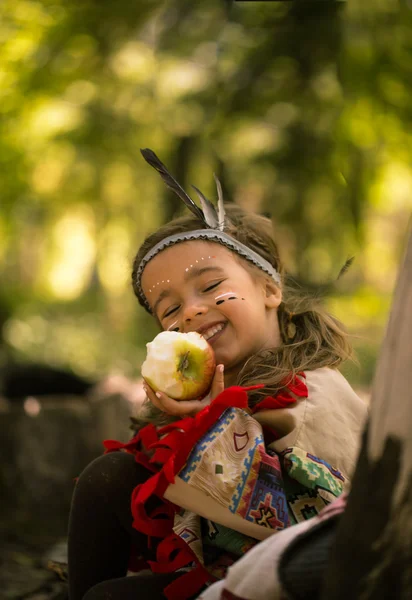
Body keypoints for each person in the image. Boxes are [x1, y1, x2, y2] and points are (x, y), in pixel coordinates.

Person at [67, 149, 368, 600]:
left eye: (210, 286)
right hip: (223, 552)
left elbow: (300, 526)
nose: (191, 310)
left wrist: (214, 420)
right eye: (169, 310)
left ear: (270, 288)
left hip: (304, 575)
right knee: (107, 476)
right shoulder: (216, 384)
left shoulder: (316, 394)